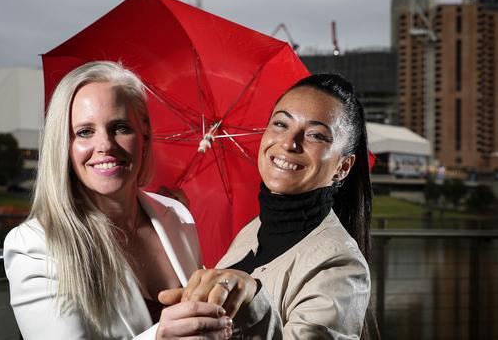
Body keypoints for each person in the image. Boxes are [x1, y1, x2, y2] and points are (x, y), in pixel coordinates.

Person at [3, 61, 232, 339]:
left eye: (121, 127)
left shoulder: (178, 216)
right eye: (85, 132)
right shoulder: (34, 245)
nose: (106, 146)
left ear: (144, 134)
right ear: (64, 144)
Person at [160, 74, 378, 339]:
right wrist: (169, 230)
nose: (289, 142)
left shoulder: (341, 267)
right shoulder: (252, 231)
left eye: (316, 135)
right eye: (281, 123)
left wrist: (253, 304)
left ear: (343, 167)